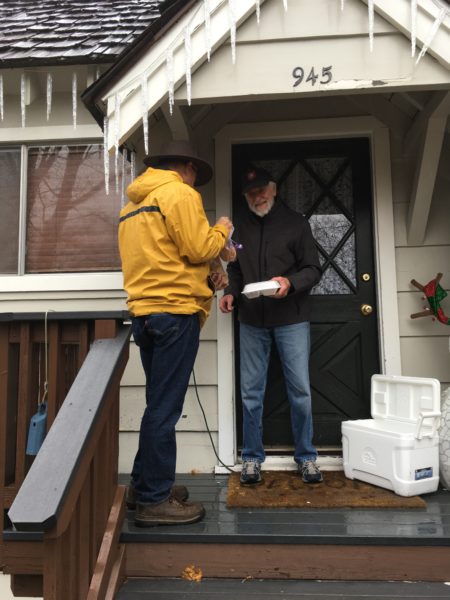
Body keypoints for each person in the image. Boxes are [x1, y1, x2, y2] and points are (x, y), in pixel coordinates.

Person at [118, 140, 234, 526]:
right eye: (196, 175)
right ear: (186, 167)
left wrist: (208, 278)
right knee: (164, 410)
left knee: (157, 405)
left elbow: (166, 259)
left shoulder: (132, 206)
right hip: (176, 316)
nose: (196, 182)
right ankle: (154, 500)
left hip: (145, 315)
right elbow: (199, 246)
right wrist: (221, 230)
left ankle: (143, 485)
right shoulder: (179, 193)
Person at [219, 165, 323, 485]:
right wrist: (230, 293)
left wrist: (289, 283)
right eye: (252, 192)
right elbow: (235, 270)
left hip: (291, 319)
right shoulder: (239, 230)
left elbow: (313, 270)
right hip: (251, 321)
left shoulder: (296, 224)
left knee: (300, 391)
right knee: (251, 392)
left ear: (274, 189)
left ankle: (306, 457)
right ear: (245, 197)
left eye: (263, 190)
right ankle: (251, 457)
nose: (258, 196)